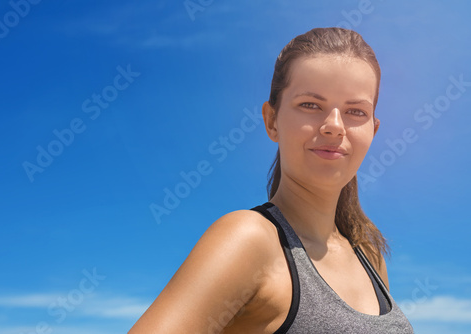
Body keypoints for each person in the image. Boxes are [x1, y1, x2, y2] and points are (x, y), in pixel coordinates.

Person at [129, 27, 414, 333]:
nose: (334, 126)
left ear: (374, 129)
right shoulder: (249, 239)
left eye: (355, 111)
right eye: (310, 105)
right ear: (271, 121)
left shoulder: (368, 255)